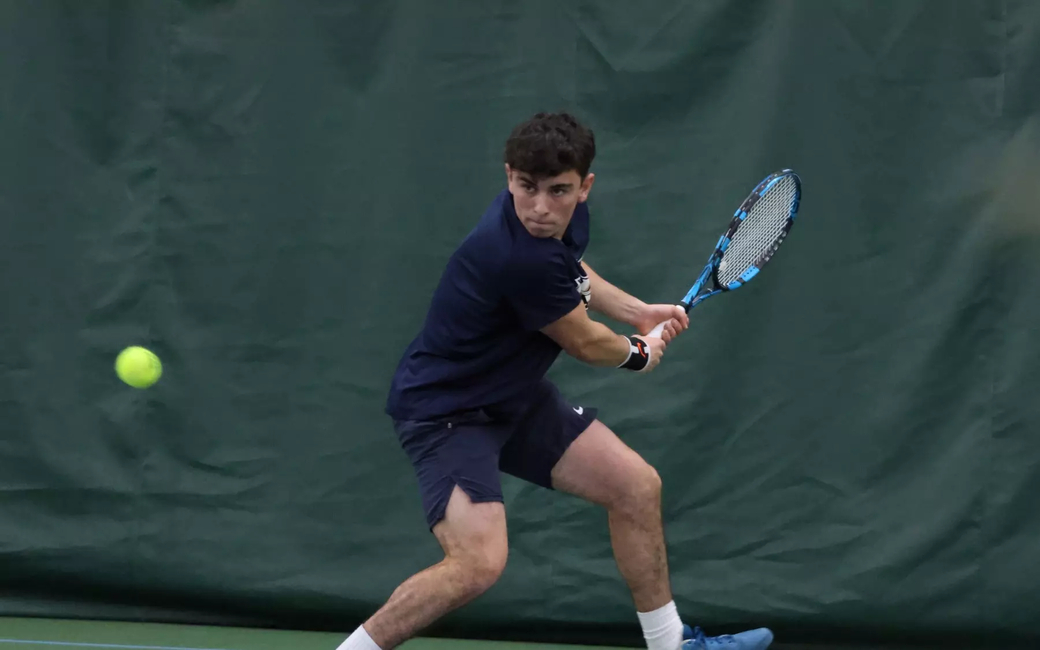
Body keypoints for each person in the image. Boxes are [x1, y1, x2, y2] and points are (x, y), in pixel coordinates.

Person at [336, 113, 773, 650]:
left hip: (512, 398)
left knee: (636, 488)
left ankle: (671, 646)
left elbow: (574, 272)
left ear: (584, 187)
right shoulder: (514, 253)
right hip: (447, 414)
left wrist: (638, 311)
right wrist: (640, 353)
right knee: (478, 564)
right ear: (508, 177)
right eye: (527, 188)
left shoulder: (551, 231)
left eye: (558, 191)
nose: (540, 207)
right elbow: (585, 341)